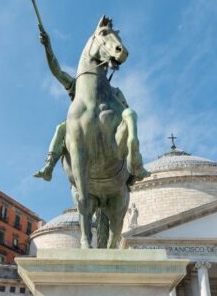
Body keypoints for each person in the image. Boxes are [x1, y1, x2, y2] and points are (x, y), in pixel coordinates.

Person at [33, 25, 149, 183]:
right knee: (61, 128)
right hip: (81, 126)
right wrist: (48, 46)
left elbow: (126, 115)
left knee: (129, 120)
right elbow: (57, 71)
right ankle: (49, 166)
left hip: (112, 137)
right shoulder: (77, 86)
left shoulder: (116, 93)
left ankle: (132, 168)